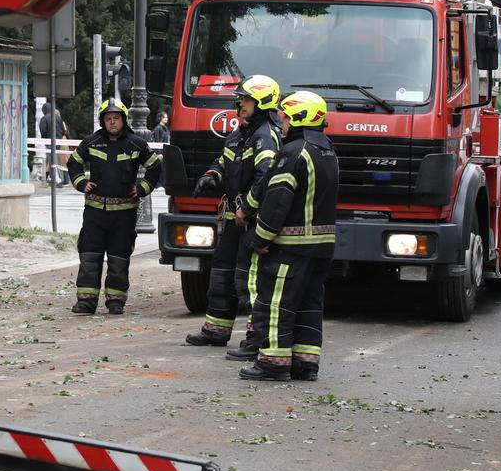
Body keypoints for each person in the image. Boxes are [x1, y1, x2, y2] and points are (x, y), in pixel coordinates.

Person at [239, 91, 338, 383]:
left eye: (284, 116)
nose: (280, 121)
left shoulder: (293, 153)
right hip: (321, 248)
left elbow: (277, 202)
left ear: (299, 117)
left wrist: (260, 239)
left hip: (290, 248)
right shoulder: (327, 150)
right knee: (309, 304)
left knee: (275, 304)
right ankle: (306, 364)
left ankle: (273, 363)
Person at [183, 76, 281, 351]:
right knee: (221, 274)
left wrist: (247, 207)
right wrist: (212, 175)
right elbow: (223, 163)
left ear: (262, 103)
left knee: (248, 283)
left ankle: (256, 338)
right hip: (231, 220)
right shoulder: (239, 135)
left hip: (251, 222)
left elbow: (265, 179)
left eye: (247, 99)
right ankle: (215, 330)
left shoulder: (266, 138)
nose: (241, 103)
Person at [66, 99, 161, 315]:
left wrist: (143, 188)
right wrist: (81, 182)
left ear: (123, 120)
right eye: (108, 119)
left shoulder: (136, 144)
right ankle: (86, 301)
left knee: (119, 258)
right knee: (89, 255)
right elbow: (73, 163)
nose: (112, 122)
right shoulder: (91, 142)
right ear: (103, 121)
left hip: (124, 215)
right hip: (94, 213)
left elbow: (155, 167)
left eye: (116, 118)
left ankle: (116, 301)